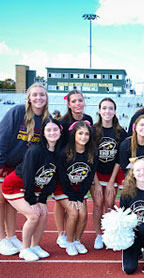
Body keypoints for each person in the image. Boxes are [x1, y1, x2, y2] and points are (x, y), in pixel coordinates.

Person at [0, 83, 50, 256]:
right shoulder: (18, 111)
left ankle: (11, 237)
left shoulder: (45, 119)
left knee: (11, 203)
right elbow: (1, 136)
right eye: (35, 95)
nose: (38, 98)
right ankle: (0, 239)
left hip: (16, 166)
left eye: (42, 95)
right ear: (28, 97)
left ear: (47, 97)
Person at [1, 118, 61, 261]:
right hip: (14, 186)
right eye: (48, 130)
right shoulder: (35, 150)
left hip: (35, 188)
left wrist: (43, 199)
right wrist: (32, 201)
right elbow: (28, 176)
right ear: (43, 133)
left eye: (55, 129)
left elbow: (53, 178)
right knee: (34, 215)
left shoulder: (59, 152)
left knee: (43, 213)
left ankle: (35, 245)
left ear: (60, 131)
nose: (52, 132)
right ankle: (25, 249)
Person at [53, 90, 94, 249]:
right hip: (64, 165)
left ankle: (75, 238)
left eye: (80, 100)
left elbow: (89, 143)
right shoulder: (63, 122)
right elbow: (60, 146)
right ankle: (61, 233)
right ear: (68, 104)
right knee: (60, 204)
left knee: (79, 211)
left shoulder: (88, 119)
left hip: (80, 168)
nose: (78, 104)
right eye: (74, 101)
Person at [55, 120, 97, 256]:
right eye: (80, 133)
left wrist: (80, 195)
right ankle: (69, 241)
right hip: (63, 188)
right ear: (74, 134)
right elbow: (62, 177)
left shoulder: (92, 153)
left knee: (83, 214)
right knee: (73, 213)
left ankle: (77, 240)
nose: (83, 137)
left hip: (79, 189)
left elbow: (90, 177)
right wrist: (71, 195)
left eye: (86, 134)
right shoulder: (64, 153)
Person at [91, 98, 128, 250]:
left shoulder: (120, 131)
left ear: (114, 111)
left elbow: (120, 158)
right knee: (98, 204)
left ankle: (110, 234)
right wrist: (97, 183)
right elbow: (90, 158)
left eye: (110, 108)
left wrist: (112, 181)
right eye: (104, 108)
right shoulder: (93, 131)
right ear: (99, 111)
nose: (107, 111)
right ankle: (99, 235)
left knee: (109, 204)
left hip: (112, 173)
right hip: (96, 173)